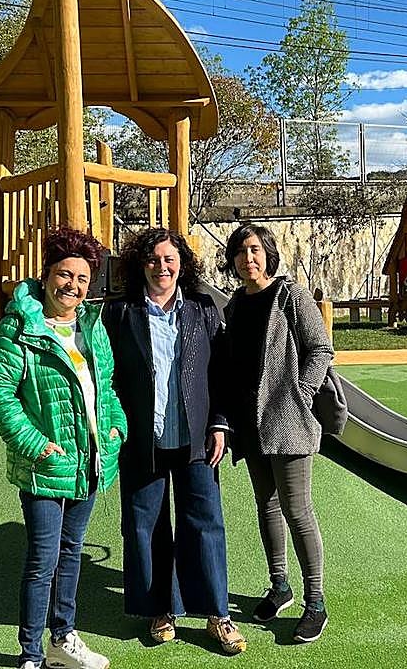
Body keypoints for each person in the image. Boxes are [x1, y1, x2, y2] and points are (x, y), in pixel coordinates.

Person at [0, 226, 128, 669]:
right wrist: (35, 444)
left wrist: (116, 427)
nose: (73, 286)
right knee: (42, 561)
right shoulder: (21, 327)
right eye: (65, 275)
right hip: (47, 465)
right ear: (47, 276)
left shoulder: (90, 327)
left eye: (83, 279)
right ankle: (30, 655)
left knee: (71, 554)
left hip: (90, 463)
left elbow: (106, 389)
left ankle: (62, 639)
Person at [102, 227, 247, 655]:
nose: (161, 266)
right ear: (139, 264)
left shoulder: (203, 309)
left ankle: (216, 613)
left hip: (196, 439)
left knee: (204, 524)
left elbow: (221, 374)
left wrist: (220, 423)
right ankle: (160, 608)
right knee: (144, 526)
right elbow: (106, 374)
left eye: (169, 259)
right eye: (152, 259)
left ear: (182, 263)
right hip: (142, 440)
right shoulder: (120, 313)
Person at [219, 222, 335, 644]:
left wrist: (301, 392)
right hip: (251, 426)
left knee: (297, 510)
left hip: (288, 420)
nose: (247, 258)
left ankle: (316, 601)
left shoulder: (291, 296)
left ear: (268, 254)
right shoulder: (233, 307)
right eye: (240, 252)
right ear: (232, 261)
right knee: (266, 506)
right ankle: (280, 585)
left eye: (254, 250)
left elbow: (321, 348)